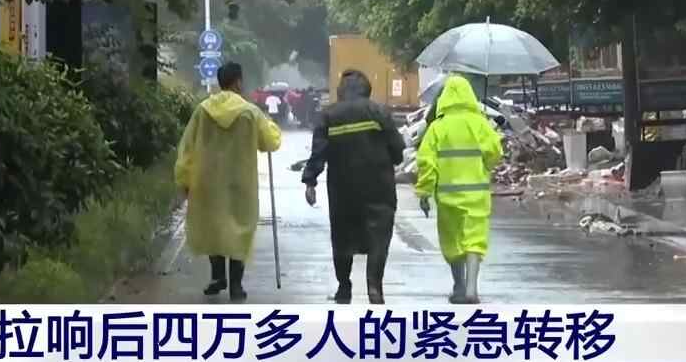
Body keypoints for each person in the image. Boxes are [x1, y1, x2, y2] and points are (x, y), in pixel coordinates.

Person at [175, 62, 282, 301]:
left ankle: (217, 277)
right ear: (238, 82)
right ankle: (236, 284)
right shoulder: (250, 112)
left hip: (208, 181)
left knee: (213, 227)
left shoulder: (203, 110)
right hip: (240, 182)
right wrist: (272, 126)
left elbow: (187, 147)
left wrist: (184, 178)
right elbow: (269, 142)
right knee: (239, 230)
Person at [302, 69, 406, 304]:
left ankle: (344, 286)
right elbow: (398, 149)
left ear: (341, 91)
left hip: (342, 189)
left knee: (342, 237)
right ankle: (374, 286)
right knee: (379, 236)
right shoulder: (379, 111)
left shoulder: (329, 115)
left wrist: (310, 181)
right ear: (366, 89)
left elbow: (319, 152)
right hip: (379, 187)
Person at [415, 74, 504, 304]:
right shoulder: (480, 124)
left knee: (452, 240)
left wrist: (424, 192)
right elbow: (495, 151)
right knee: (475, 239)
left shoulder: (438, 127)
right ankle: (472, 288)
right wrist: (486, 165)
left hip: (448, 196)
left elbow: (426, 163)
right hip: (477, 194)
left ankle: (459, 286)